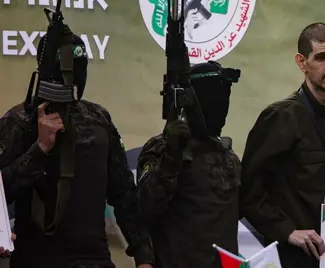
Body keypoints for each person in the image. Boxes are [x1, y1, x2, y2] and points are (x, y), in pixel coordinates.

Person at [0, 33, 153, 267]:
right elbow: (2, 193)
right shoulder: (19, 121)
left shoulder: (98, 119)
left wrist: (144, 257)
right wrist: (39, 149)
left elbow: (123, 192)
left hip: (94, 260)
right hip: (36, 260)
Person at [240, 22, 325, 268]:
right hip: (293, 258)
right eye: (322, 57)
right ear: (301, 62)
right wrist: (288, 231)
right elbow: (249, 193)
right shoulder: (280, 117)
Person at [136, 61, 242, 268]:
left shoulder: (227, 154)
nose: (221, 106)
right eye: (214, 98)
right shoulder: (164, 147)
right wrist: (172, 157)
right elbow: (143, 207)